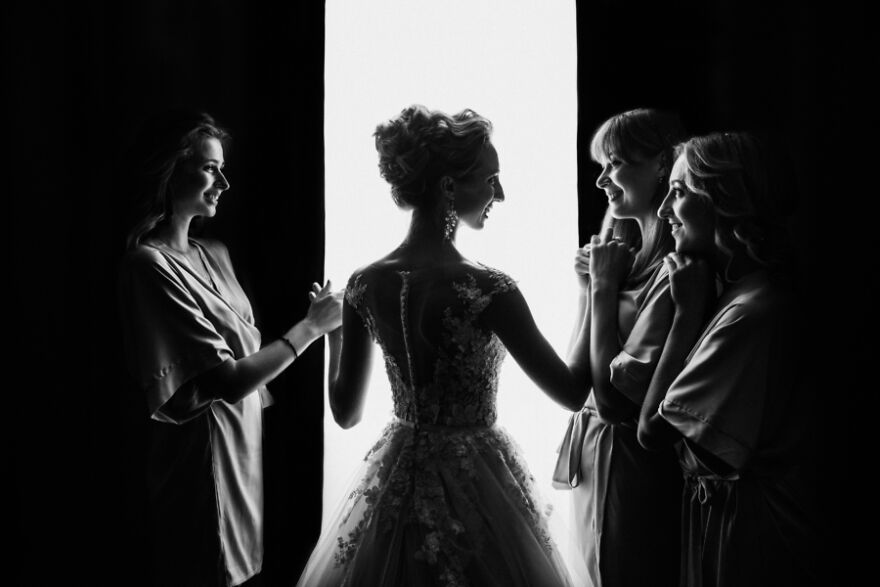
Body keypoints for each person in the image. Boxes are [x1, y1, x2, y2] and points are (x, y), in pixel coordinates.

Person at [296, 105, 592, 586]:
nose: (500, 193)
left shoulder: (365, 284)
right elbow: (574, 393)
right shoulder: (490, 289)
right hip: (478, 482)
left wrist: (334, 335)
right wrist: (594, 293)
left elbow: (345, 414)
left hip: (397, 474)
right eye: (491, 179)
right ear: (449, 187)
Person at [117, 110, 342, 587]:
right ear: (170, 170)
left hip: (245, 441)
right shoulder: (148, 265)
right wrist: (311, 327)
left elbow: (246, 359)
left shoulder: (215, 252)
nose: (224, 183)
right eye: (209, 168)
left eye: (222, 169)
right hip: (199, 452)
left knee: (245, 568)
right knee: (208, 565)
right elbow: (228, 379)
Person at [637, 132, 820, 586]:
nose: (663, 211)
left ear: (725, 199)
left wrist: (685, 316)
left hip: (750, 534)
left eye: (678, 192)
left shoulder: (750, 312)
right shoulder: (742, 293)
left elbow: (652, 431)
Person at [552, 108, 687, 587]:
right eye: (601, 166)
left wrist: (604, 288)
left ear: (661, 164)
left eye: (615, 163)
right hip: (591, 451)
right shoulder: (621, 258)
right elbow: (579, 375)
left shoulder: (675, 272)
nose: (602, 180)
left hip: (633, 460)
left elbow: (612, 402)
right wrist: (591, 290)